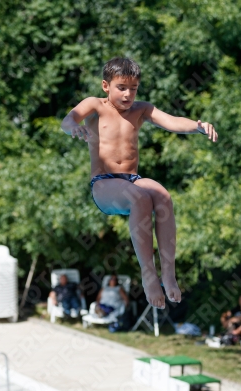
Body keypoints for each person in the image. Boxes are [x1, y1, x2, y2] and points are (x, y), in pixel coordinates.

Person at [61, 57, 218, 310]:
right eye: (121, 87)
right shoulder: (96, 106)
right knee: (140, 197)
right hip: (104, 184)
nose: (128, 94)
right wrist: (73, 128)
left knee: (163, 196)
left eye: (133, 89)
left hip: (132, 179)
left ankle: (168, 272)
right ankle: (148, 274)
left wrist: (197, 126)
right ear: (106, 86)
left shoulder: (141, 110)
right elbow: (69, 119)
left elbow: (173, 121)